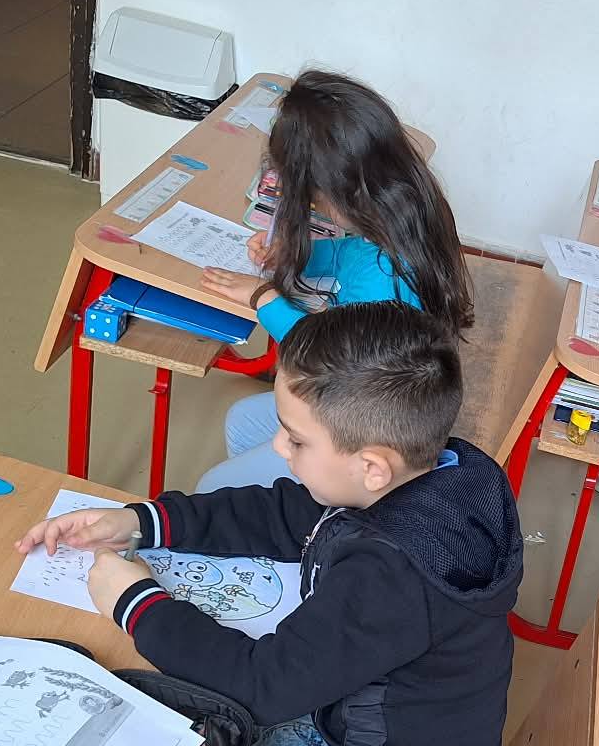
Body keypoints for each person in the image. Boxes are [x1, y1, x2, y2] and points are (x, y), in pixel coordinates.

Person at [16, 302, 520, 746]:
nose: (279, 446)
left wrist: (136, 604)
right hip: (347, 707)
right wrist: (141, 521)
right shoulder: (435, 469)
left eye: (297, 439)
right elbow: (284, 513)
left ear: (372, 468)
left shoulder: (393, 576)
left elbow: (263, 688)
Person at [196, 70, 474, 491]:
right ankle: (286, 509)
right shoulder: (402, 212)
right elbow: (349, 255)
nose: (315, 208)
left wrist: (264, 298)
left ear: (331, 190)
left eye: (312, 200)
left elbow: (329, 362)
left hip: (361, 421)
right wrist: (299, 255)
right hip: (370, 401)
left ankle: (317, 508)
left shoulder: (383, 277)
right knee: (242, 420)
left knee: (214, 487)